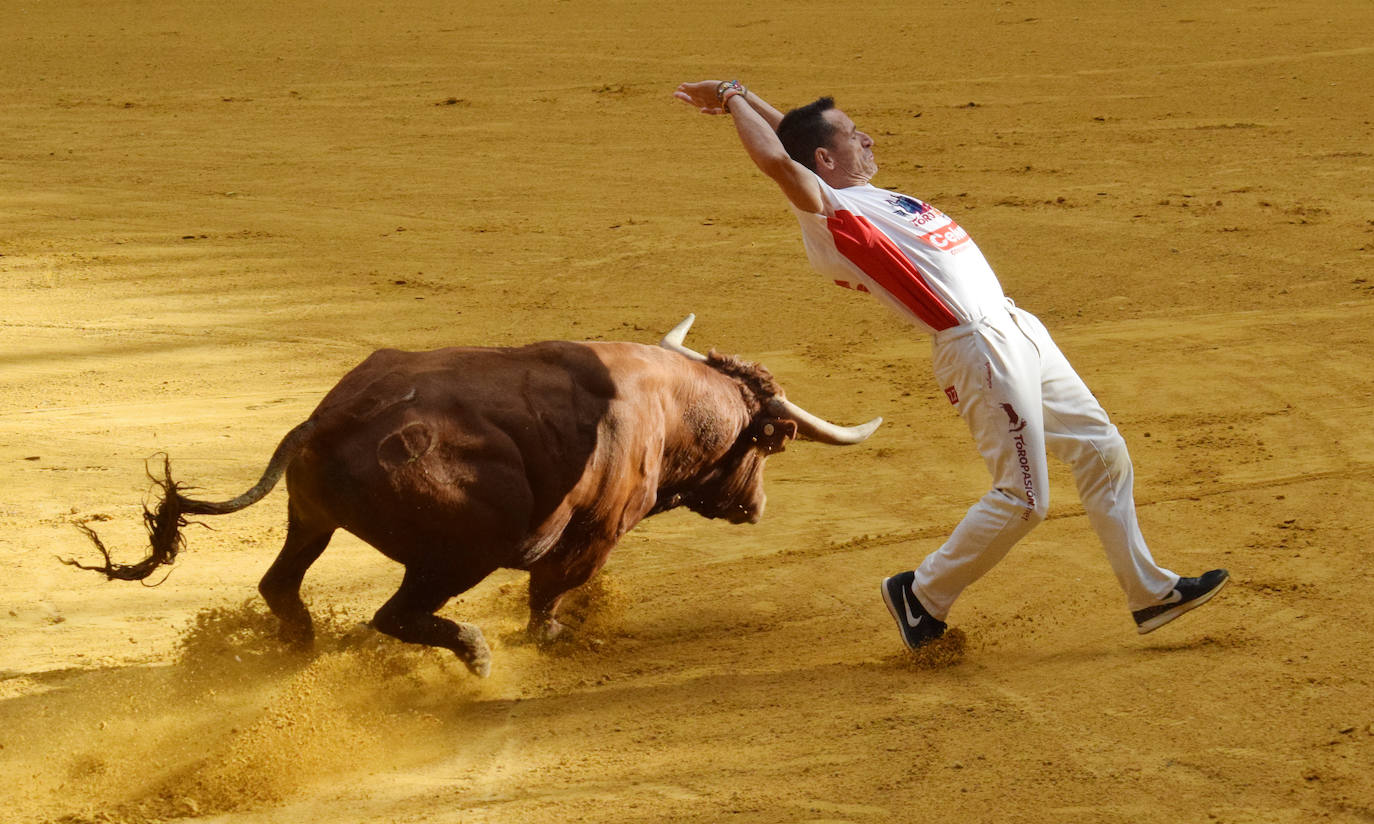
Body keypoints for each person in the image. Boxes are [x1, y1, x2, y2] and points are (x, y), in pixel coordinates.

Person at [673, 79, 1229, 650]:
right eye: (853, 136)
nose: (868, 139)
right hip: (979, 350)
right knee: (1023, 499)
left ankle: (1150, 593)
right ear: (825, 161)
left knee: (1100, 449)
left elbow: (790, 140)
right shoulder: (831, 210)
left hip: (1015, 327)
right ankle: (921, 595)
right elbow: (777, 158)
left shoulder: (860, 193)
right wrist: (733, 94)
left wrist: (746, 102)